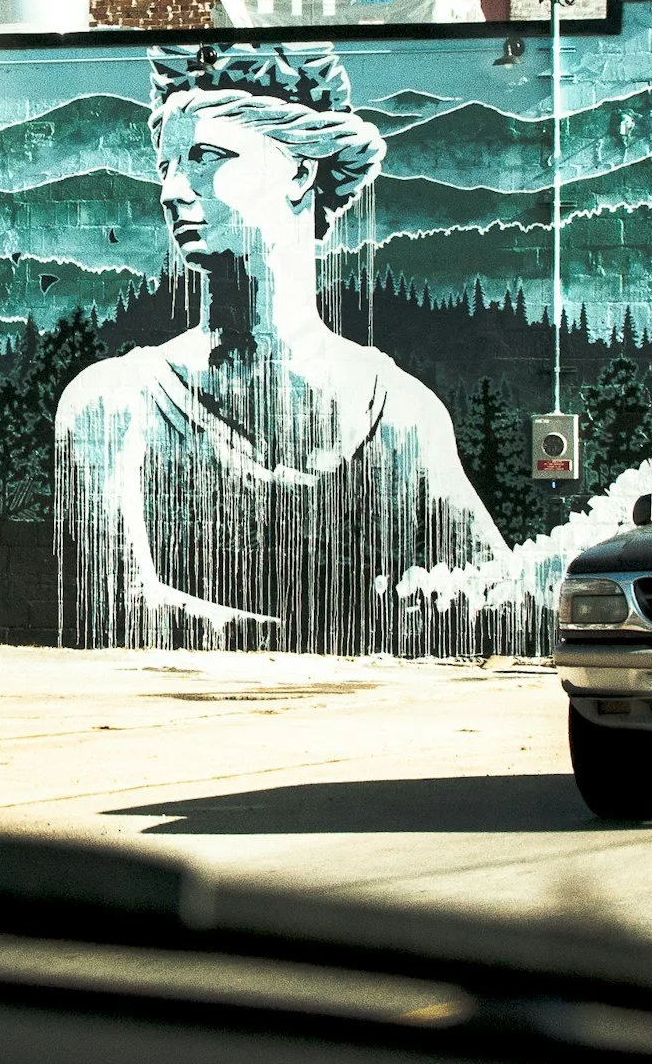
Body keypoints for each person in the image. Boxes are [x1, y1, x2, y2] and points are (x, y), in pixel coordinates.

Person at [55, 42, 504, 652]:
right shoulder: (111, 405)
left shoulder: (400, 416)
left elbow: (498, 601)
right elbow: (117, 607)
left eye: (207, 158)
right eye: (166, 165)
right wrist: (361, 635)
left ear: (300, 170)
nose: (173, 191)